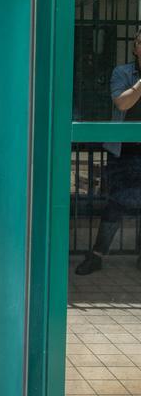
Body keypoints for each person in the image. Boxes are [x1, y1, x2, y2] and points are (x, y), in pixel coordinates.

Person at [76, 28, 141, 275]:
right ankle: (97, 256)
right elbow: (122, 102)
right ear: (135, 48)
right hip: (123, 150)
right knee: (116, 202)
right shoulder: (123, 73)